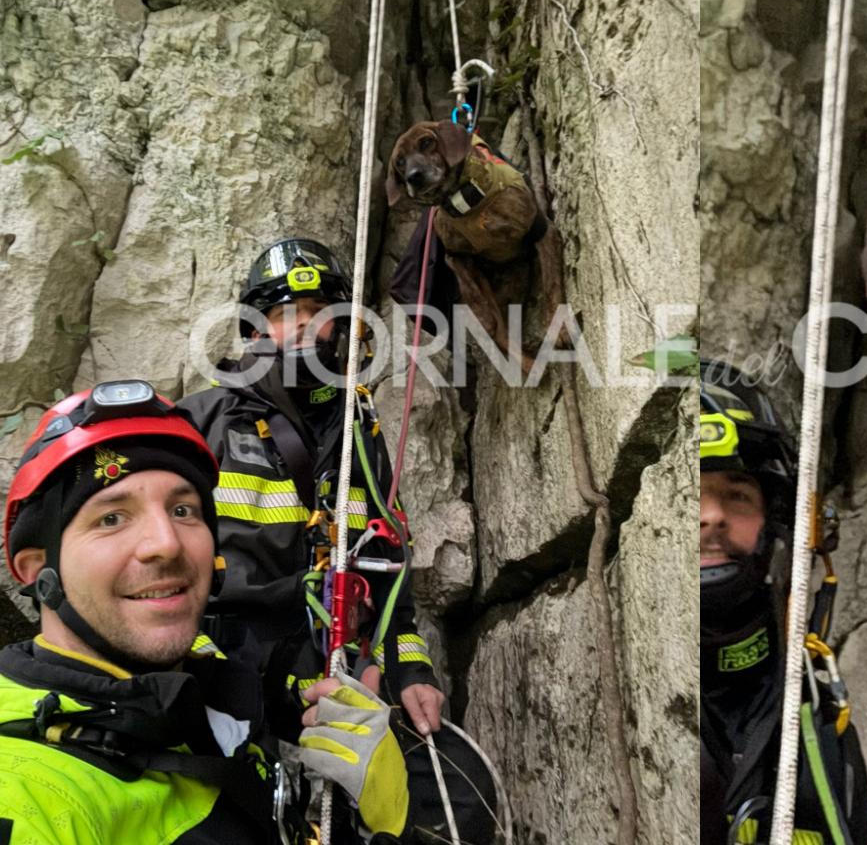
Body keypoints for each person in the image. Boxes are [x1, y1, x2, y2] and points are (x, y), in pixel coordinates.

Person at [177, 237, 498, 841]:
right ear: (253, 332)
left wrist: (411, 674)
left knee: (451, 805)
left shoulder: (362, 436)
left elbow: (388, 573)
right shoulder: (199, 424)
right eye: (282, 316)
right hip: (223, 671)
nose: (300, 329)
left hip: (339, 675)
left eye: (317, 313)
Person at [0, 381, 409, 843]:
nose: (167, 543)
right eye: (110, 518)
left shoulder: (216, 711)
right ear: (37, 571)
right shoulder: (23, 793)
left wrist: (376, 827)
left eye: (183, 509)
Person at [699, 359, 867, 845]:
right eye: (688, 494)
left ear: (775, 519)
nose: (711, 516)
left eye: (737, 495)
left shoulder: (816, 718)